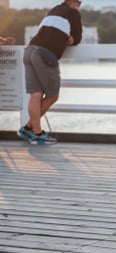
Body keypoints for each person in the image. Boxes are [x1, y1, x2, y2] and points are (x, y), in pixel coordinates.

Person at [17, 0, 83, 145]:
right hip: (44, 54)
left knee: (36, 94)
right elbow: (77, 39)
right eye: (79, 3)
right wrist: (70, 39)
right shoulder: (73, 13)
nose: (79, 6)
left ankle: (30, 130)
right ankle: (35, 132)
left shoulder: (53, 10)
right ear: (73, 3)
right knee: (52, 95)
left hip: (29, 50)